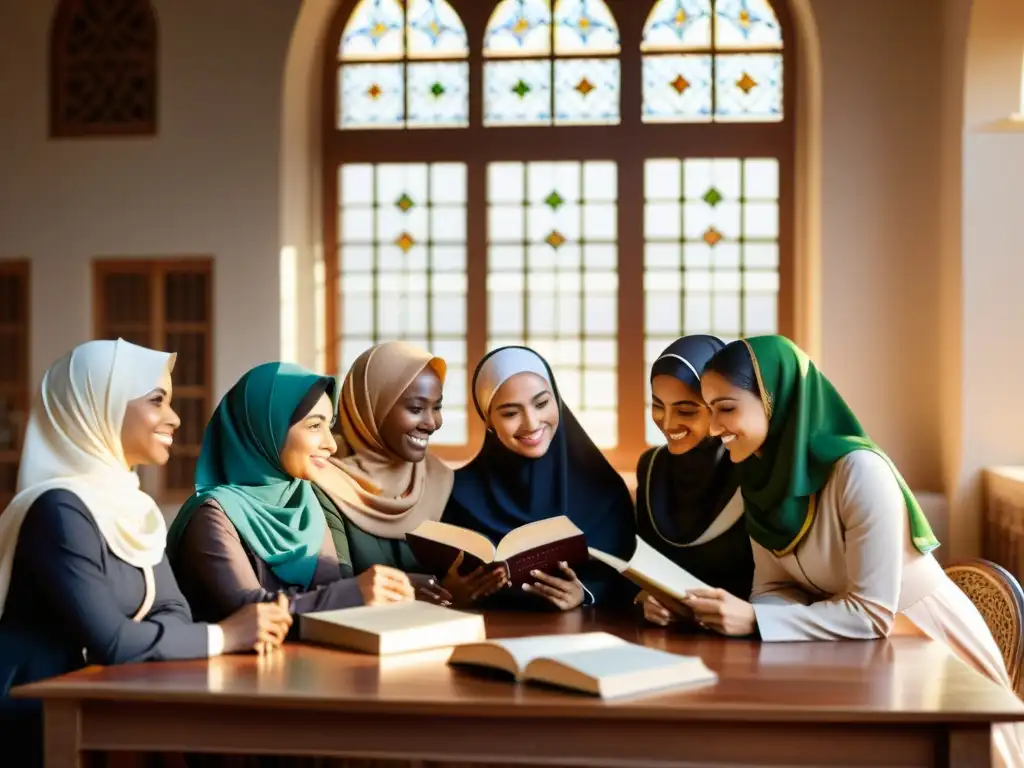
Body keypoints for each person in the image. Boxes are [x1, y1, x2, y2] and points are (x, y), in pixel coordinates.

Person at [685, 335, 1023, 767]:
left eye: (726, 408)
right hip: (851, 653)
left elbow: (873, 614)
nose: (714, 429)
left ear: (776, 398)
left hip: (929, 651)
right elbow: (774, 584)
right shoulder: (759, 478)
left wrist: (755, 619)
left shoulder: (859, 471)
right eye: (709, 411)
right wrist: (756, 614)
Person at [0, 340, 291, 766]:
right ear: (100, 405)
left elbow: (172, 608)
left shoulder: (132, 504)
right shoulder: (57, 509)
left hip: (106, 701)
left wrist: (149, 640)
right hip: (35, 718)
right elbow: (113, 640)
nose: (174, 418)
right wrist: (227, 635)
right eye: (158, 401)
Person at [168, 362, 427, 626]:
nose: (331, 444)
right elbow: (250, 613)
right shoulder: (212, 517)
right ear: (268, 427)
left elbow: (343, 589)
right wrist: (352, 594)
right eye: (315, 426)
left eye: (330, 425)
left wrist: (407, 587)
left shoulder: (312, 500)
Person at [441, 346, 635, 610]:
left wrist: (586, 594)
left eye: (542, 403)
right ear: (488, 421)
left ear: (558, 400)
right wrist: (450, 593)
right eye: (510, 413)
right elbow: (437, 579)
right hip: (488, 638)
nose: (531, 423)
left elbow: (629, 580)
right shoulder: (456, 493)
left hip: (580, 641)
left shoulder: (604, 489)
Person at [309, 342, 454, 597]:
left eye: (437, 407)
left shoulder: (439, 478)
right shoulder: (324, 483)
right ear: (371, 408)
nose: (432, 424)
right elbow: (334, 589)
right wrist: (433, 587)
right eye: (416, 409)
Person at [637, 336, 753, 628]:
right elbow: (642, 563)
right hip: (666, 640)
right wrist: (645, 596)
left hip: (743, 642)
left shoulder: (751, 469)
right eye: (658, 405)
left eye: (686, 410)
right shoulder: (651, 467)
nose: (667, 422)